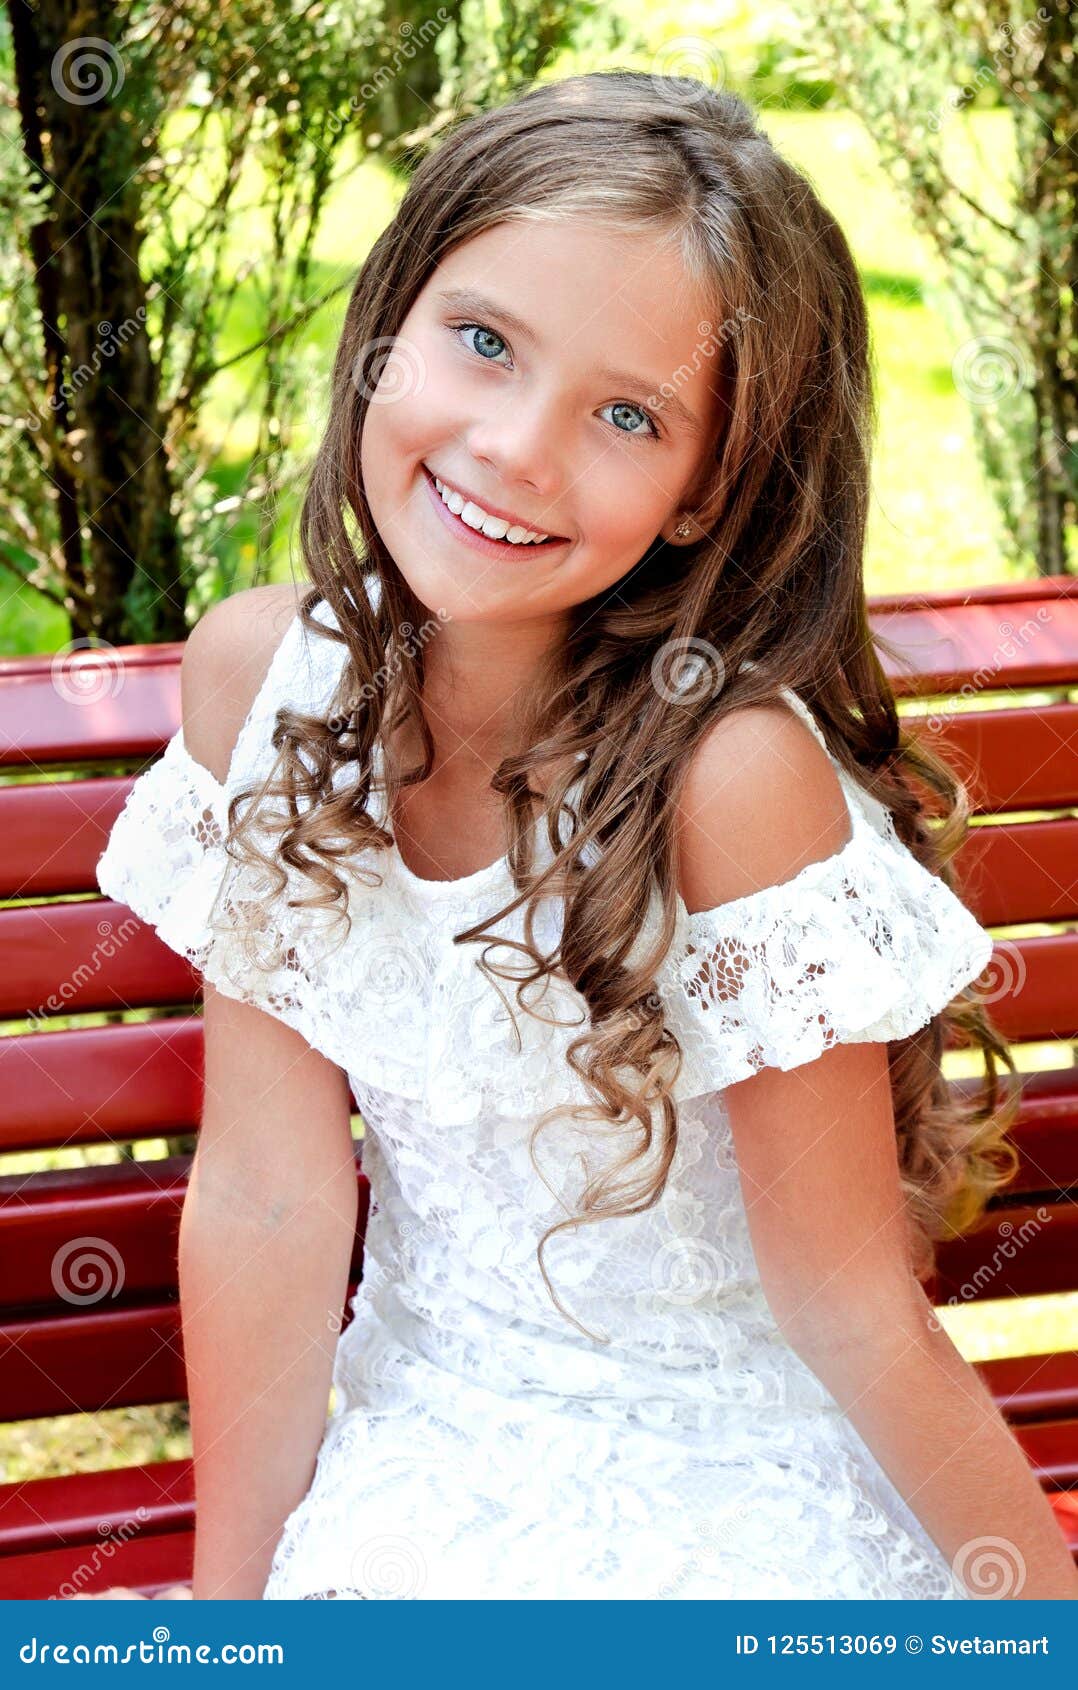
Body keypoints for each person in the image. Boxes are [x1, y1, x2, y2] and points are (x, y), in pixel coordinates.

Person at [94, 69, 1078, 1602]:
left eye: (627, 414)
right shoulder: (260, 685)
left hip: (720, 1497)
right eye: (482, 341)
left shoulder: (726, 777)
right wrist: (230, 1621)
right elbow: (270, 1197)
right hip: (414, 1461)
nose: (514, 449)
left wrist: (1037, 1617)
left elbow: (848, 1304)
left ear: (704, 492)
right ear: (389, 328)